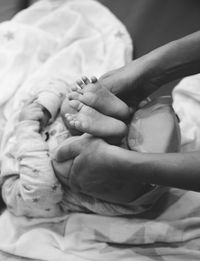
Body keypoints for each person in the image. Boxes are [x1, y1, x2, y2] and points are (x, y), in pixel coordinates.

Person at [0, 72, 180, 217]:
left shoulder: (14, 116)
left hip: (140, 129)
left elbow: (55, 81)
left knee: (70, 104)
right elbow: (43, 191)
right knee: (61, 163)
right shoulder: (9, 189)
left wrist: (44, 105)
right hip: (128, 182)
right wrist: (26, 129)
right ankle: (111, 134)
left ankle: (117, 118)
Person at [52, 30, 200, 204]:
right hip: (150, 151)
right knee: (67, 166)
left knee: (69, 110)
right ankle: (115, 131)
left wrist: (36, 112)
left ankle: (114, 130)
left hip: (142, 155)